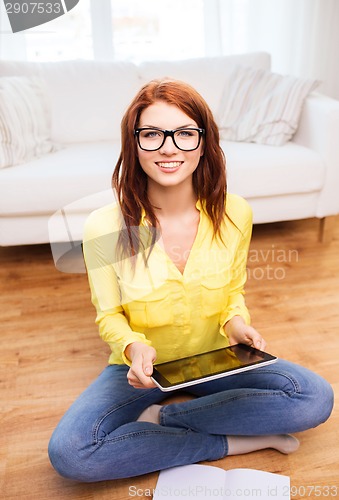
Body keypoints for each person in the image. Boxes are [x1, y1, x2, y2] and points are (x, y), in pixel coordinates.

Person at [48, 79, 334, 482]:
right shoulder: (105, 228)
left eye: (184, 133)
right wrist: (132, 346)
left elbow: (233, 292)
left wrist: (237, 325)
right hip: (139, 371)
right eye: (152, 135)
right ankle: (231, 442)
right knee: (71, 454)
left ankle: (164, 417)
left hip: (214, 359)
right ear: (134, 144)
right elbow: (109, 314)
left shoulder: (235, 214)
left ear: (204, 143)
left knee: (314, 398)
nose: (168, 147)